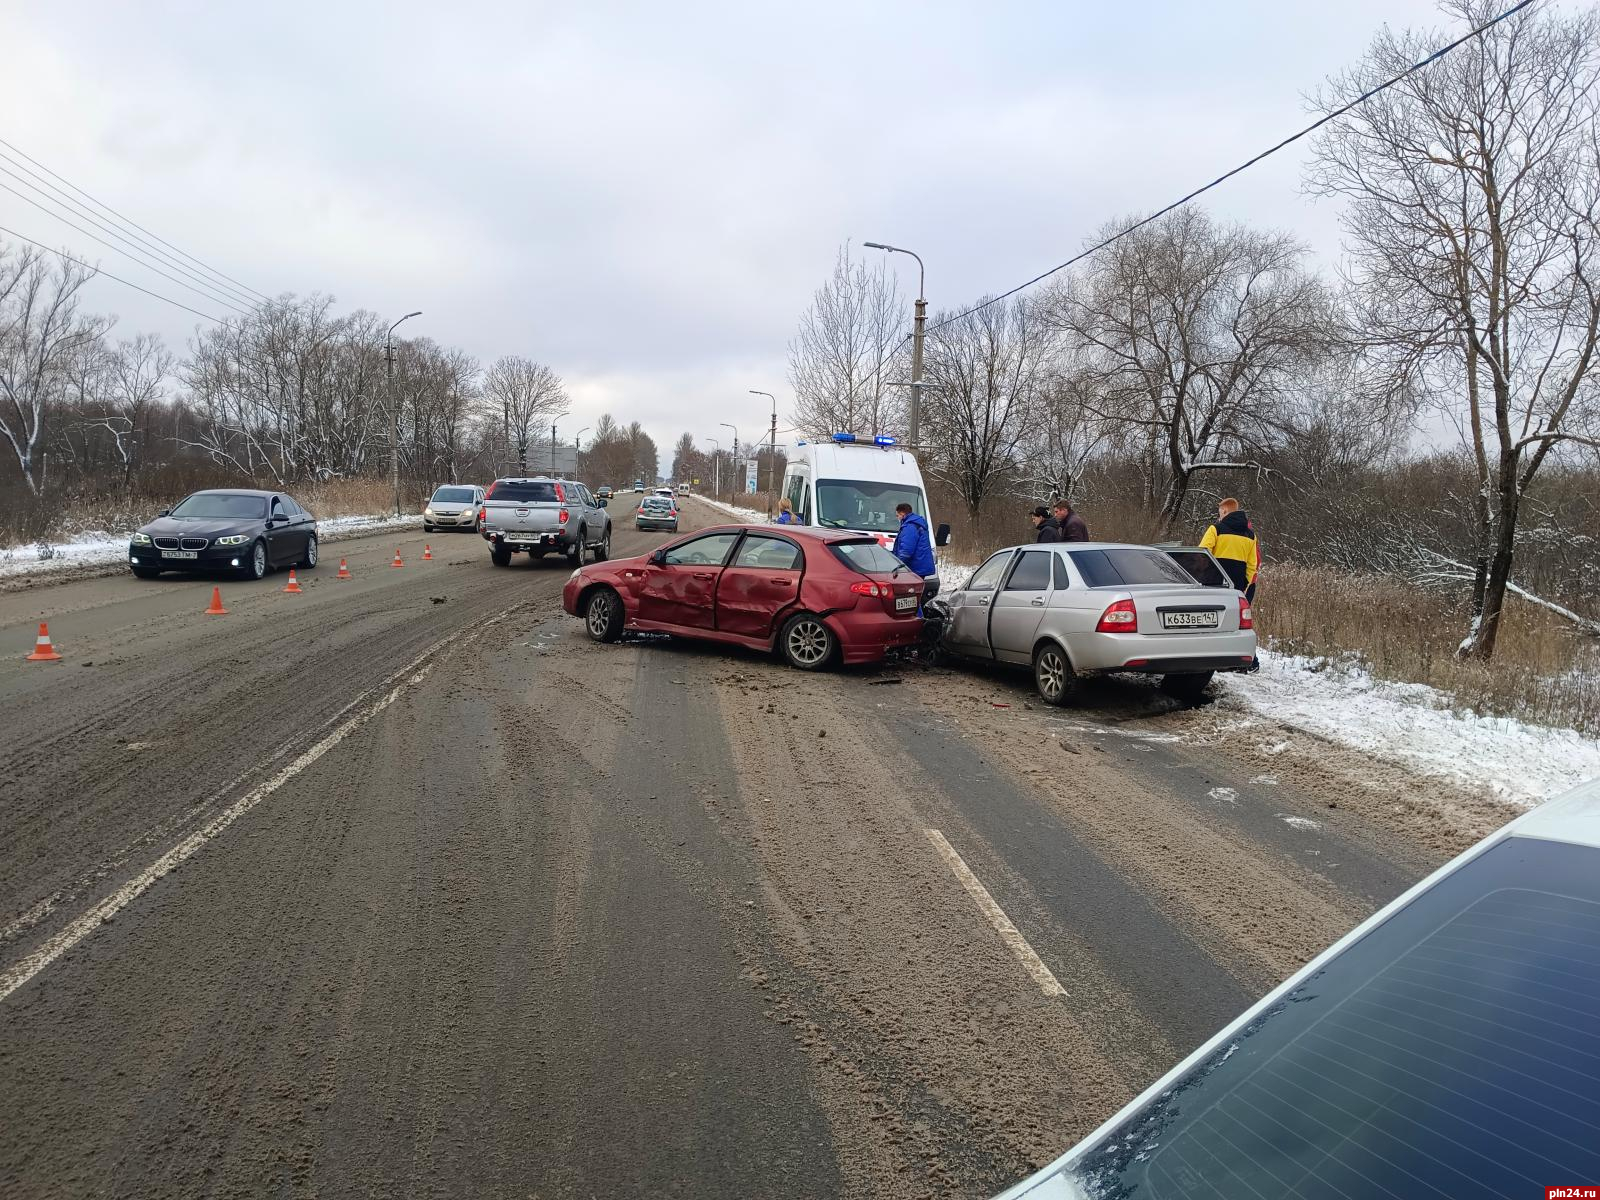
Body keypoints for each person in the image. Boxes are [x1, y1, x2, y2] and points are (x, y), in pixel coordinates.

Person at [1201, 497, 1261, 671]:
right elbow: (1253, 564)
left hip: (1214, 585)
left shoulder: (1216, 529)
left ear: (1225, 512)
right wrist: (1245, 585)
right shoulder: (1251, 535)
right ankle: (1249, 662)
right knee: (1239, 624)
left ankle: (1214, 659)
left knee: (1211, 622)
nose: (1219, 516)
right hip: (1239, 588)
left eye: (1220, 512)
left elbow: (1202, 553)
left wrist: (1203, 578)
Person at [891, 501, 938, 603]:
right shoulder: (917, 523)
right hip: (920, 565)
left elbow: (906, 551)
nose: (897, 518)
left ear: (903, 514)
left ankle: (917, 616)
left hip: (915, 567)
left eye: (897, 515)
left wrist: (896, 564)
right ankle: (916, 615)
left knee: (911, 599)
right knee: (914, 598)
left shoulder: (910, 526)